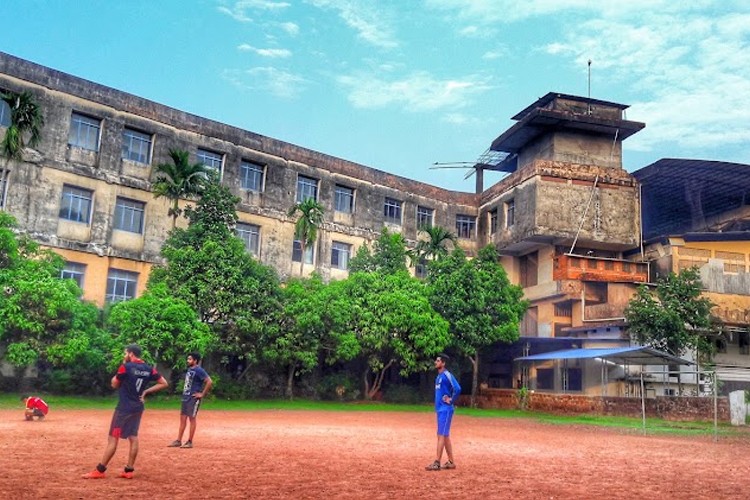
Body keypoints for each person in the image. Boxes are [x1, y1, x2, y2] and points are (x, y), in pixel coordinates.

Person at [82, 344, 168, 480]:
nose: (124, 355)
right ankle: (129, 470)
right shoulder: (148, 369)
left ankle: (100, 470)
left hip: (123, 409)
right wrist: (146, 391)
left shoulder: (126, 367)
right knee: (133, 437)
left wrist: (119, 370)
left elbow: (114, 384)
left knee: (113, 438)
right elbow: (164, 383)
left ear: (131, 354)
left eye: (125, 353)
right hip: (138, 408)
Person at [168, 352, 212, 449]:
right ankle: (178, 440)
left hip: (193, 398)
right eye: (188, 359)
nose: (188, 361)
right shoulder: (189, 370)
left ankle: (190, 441)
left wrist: (202, 394)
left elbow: (209, 381)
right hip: (186, 397)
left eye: (190, 359)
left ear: (195, 361)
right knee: (182, 419)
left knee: (192, 418)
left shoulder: (199, 370)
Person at [425, 353, 461, 471]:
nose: (436, 362)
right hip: (440, 410)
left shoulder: (447, 375)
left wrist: (451, 400)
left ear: (443, 363)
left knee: (440, 435)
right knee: (444, 436)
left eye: (438, 360)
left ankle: (437, 462)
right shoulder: (438, 377)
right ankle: (451, 462)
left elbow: (457, 388)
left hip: (446, 410)